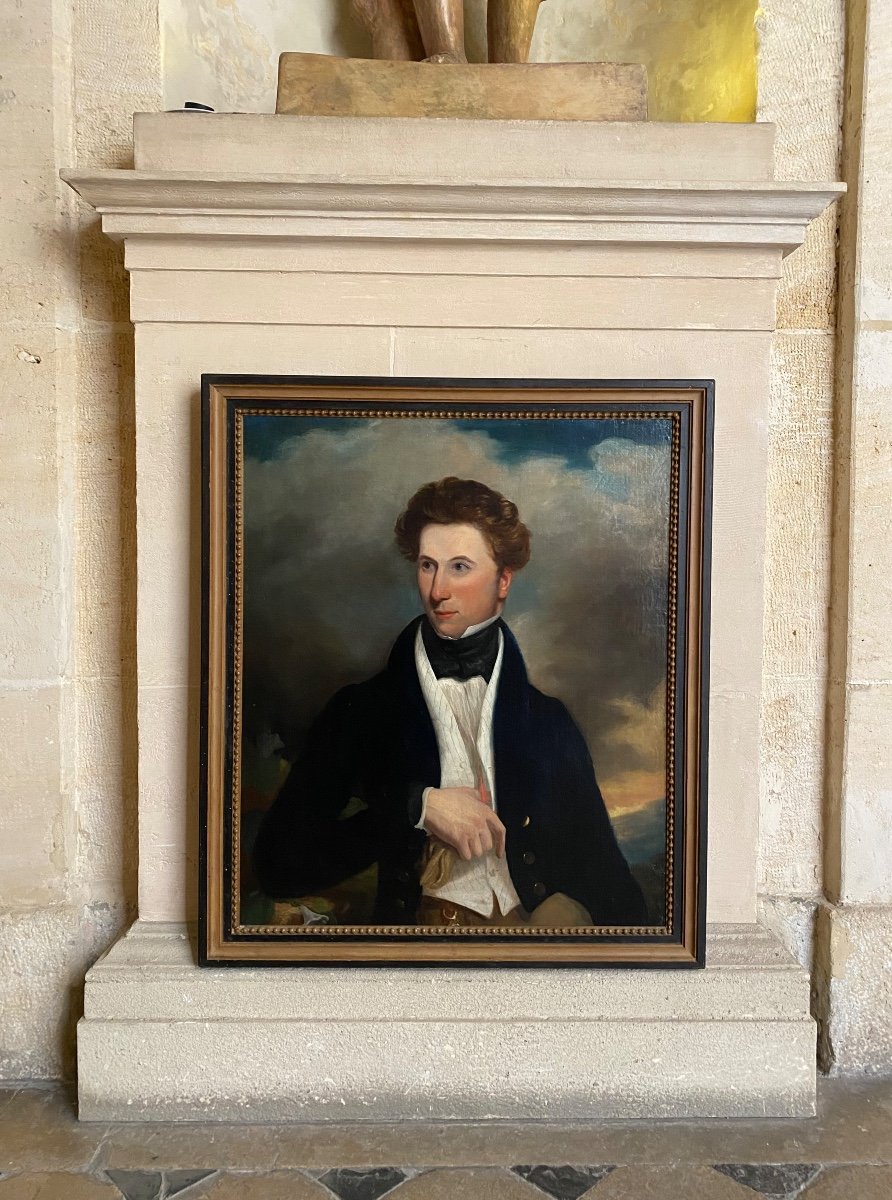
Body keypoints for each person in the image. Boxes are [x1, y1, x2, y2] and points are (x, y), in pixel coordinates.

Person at [253, 477, 647, 928]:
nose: (437, 590)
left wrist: (571, 908)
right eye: (427, 565)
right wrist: (417, 809)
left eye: (459, 567)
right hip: (415, 944)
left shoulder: (548, 722)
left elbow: (618, 892)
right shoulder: (361, 711)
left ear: (503, 579)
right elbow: (278, 866)